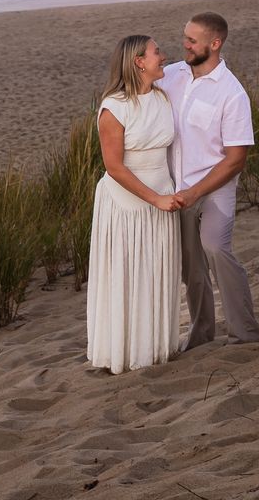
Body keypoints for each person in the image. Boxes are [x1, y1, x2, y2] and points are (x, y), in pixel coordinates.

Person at [160, 11, 259, 348]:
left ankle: (244, 331)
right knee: (191, 267)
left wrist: (195, 192)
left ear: (214, 43)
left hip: (214, 188)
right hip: (176, 189)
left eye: (192, 40)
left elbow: (235, 161)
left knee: (216, 247)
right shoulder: (171, 75)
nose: (184, 44)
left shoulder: (232, 94)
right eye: (185, 37)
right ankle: (202, 334)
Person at [86, 34, 186, 374]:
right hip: (127, 201)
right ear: (138, 62)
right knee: (127, 274)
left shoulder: (161, 97)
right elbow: (114, 167)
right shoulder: (114, 108)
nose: (163, 56)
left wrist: (168, 195)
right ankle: (124, 352)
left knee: (156, 270)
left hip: (163, 194)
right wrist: (154, 198)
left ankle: (155, 348)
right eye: (156, 52)